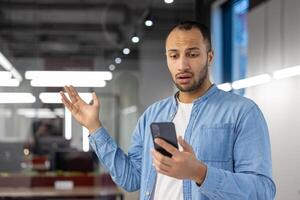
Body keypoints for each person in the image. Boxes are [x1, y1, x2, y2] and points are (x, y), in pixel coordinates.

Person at [60, 21, 276, 200]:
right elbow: (131, 179)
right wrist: (94, 127)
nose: (182, 65)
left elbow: (262, 191)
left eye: (192, 54)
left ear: (209, 57)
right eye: (174, 56)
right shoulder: (153, 115)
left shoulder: (242, 112)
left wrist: (200, 173)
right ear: (167, 59)